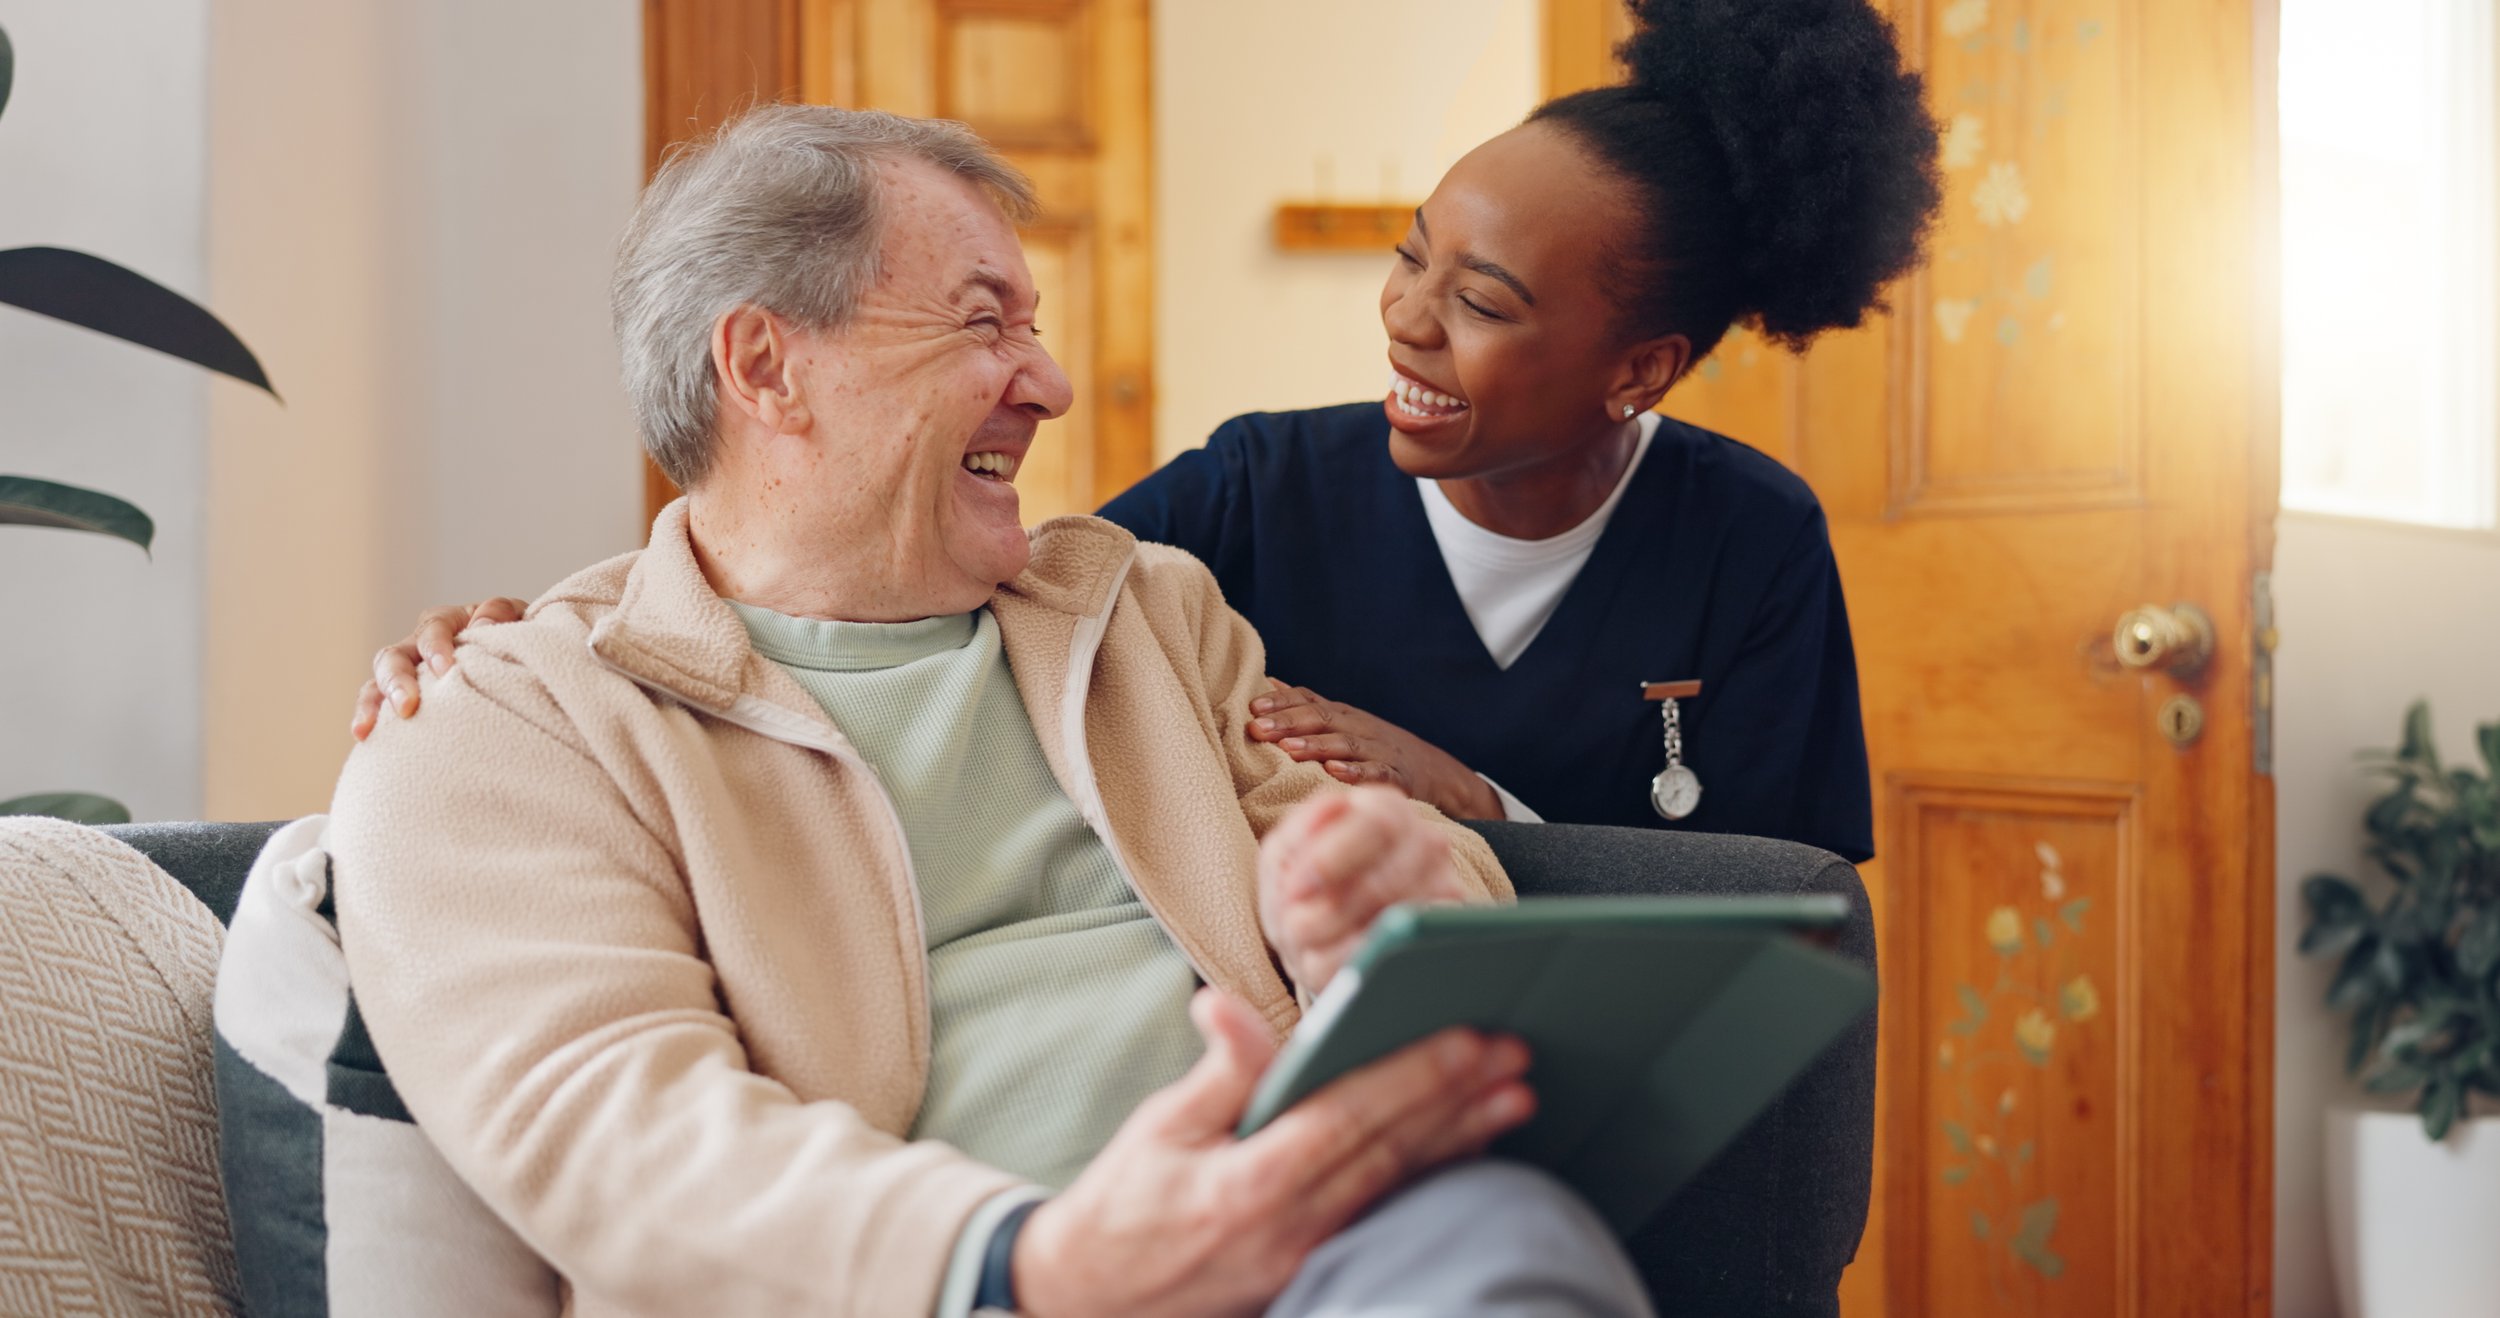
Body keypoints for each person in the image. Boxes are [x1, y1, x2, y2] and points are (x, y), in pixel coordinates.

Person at [328, 105, 1658, 1318]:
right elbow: (620, 1132)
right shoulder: (510, 723)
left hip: (1305, 1258)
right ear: (765, 365)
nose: (1050, 380)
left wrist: (1391, 916)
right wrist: (1029, 1261)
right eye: (984, 323)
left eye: (1031, 323)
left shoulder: (1148, 614)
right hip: (944, 1285)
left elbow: (1453, 955)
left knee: (1505, 1241)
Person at [357, 0, 1937, 863]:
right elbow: (919, 590)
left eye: (1489, 301)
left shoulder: (1751, 539)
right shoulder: (1258, 487)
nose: (1404, 319)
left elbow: (1789, 903)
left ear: (1635, 368)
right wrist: (561, 635)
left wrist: (1475, 799)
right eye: (1409, 256)